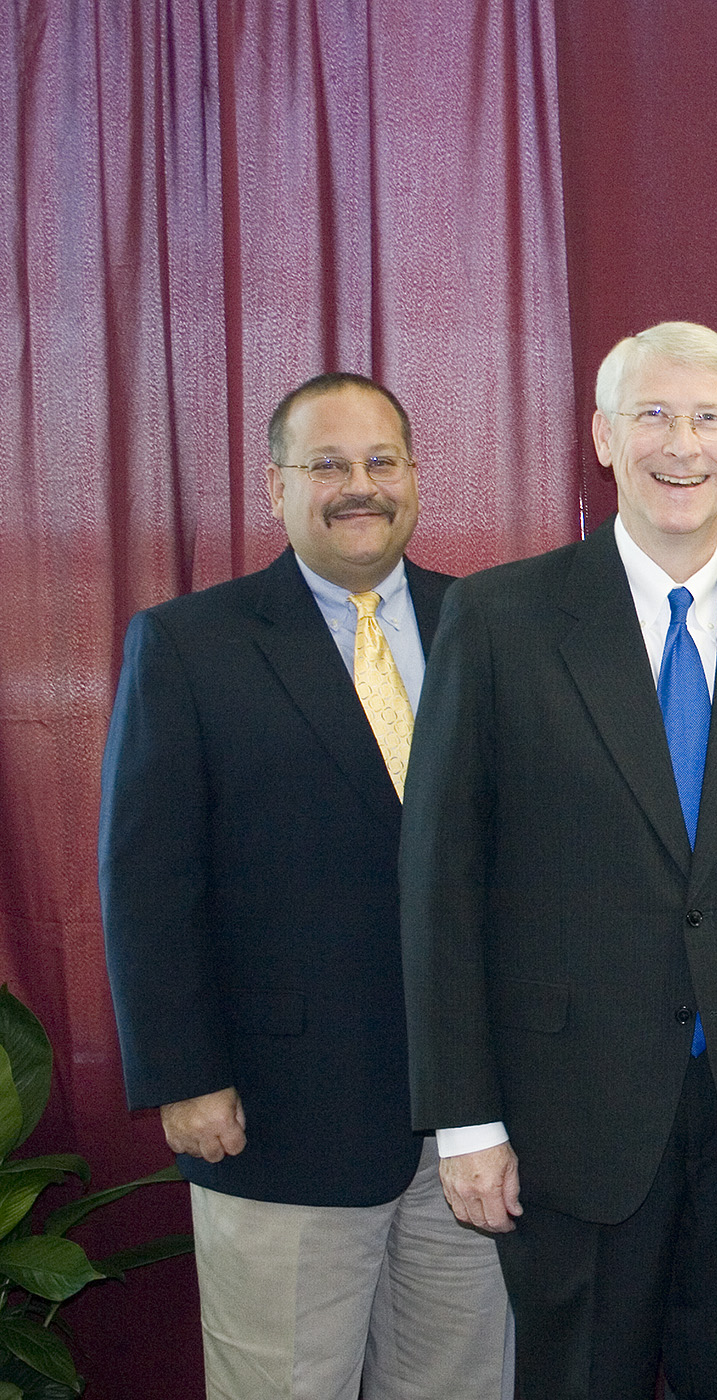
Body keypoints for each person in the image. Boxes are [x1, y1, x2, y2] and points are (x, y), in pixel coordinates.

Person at [400, 322, 717, 1400]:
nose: (684, 445)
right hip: (565, 1121)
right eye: (654, 416)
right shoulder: (499, 619)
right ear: (602, 435)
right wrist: (466, 1118)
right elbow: (440, 886)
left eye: (712, 417)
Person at [99, 372, 511, 1399]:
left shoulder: (493, 627)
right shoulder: (191, 644)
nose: (356, 486)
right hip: (277, 1120)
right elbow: (148, 880)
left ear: (416, 477)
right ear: (273, 484)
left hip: (471, 1127)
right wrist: (183, 1074)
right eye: (326, 464)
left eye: (379, 461)